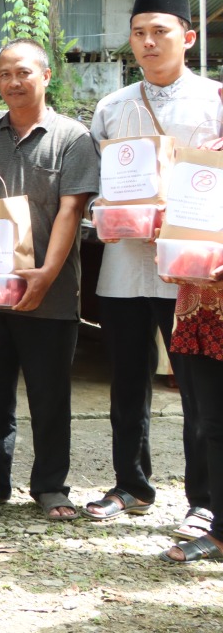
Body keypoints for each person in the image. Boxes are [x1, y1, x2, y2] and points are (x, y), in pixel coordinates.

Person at [84, 0, 218, 530]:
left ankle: (204, 499)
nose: (147, 42)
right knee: (126, 380)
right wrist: (107, 214)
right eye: (138, 33)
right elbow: (94, 186)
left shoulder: (215, 100)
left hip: (192, 273)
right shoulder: (112, 108)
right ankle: (131, 485)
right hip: (124, 266)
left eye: (159, 31)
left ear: (187, 37)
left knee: (198, 388)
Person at [0, 40, 98, 520]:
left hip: (49, 293)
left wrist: (46, 275)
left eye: (23, 72)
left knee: (49, 392)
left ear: (46, 75)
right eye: (4, 74)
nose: (13, 82)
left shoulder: (72, 138)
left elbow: (71, 211)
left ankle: (51, 485)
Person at [161, 129, 223, 563]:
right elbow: (181, 219)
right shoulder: (205, 155)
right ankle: (220, 531)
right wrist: (168, 247)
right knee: (212, 423)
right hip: (202, 304)